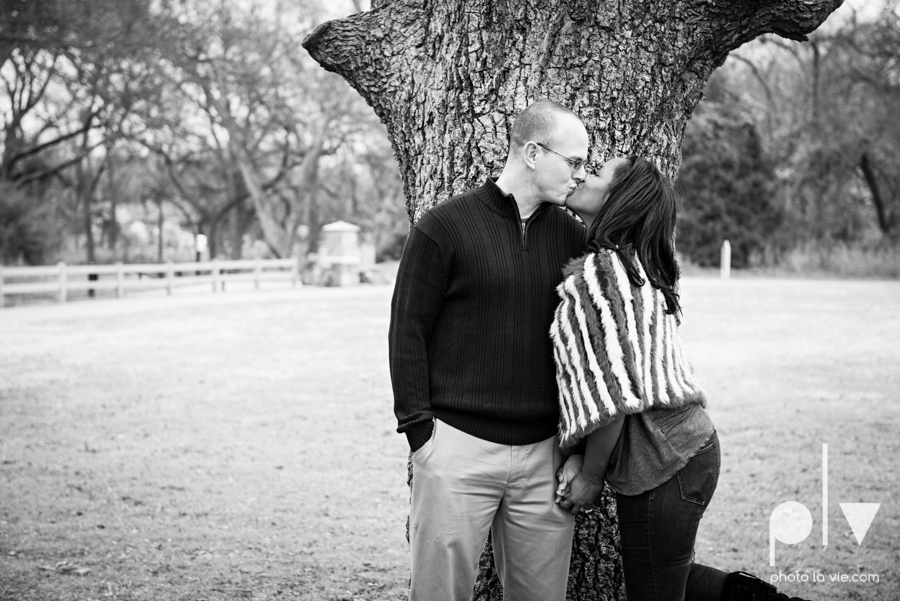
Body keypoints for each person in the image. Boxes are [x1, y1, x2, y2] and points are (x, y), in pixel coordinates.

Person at [552, 156, 810, 601]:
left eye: (594, 174)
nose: (581, 175)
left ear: (619, 200)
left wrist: (591, 475)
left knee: (656, 586)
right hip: (688, 451)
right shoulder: (633, 267)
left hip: (669, 461)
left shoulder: (604, 275)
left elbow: (615, 396)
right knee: (662, 576)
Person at [388, 100, 588, 601]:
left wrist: (576, 447)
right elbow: (407, 330)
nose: (581, 176)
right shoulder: (443, 227)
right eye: (575, 162)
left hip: (545, 456)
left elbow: (585, 345)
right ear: (534, 152)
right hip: (456, 449)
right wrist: (422, 436)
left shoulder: (573, 238)